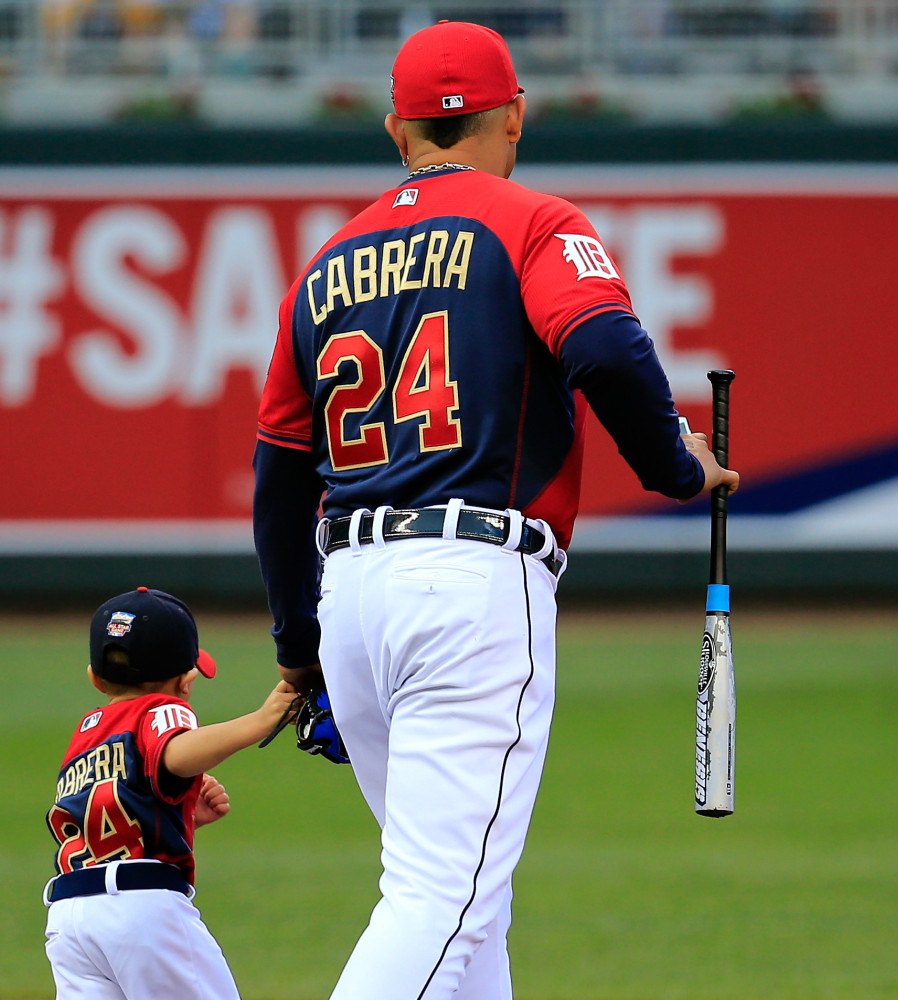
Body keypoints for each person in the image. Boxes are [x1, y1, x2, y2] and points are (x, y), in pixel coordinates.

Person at [251, 19, 739, 999]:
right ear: (514, 114)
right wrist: (677, 467)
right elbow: (602, 346)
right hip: (467, 583)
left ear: (396, 130)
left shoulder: (325, 264)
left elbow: (277, 475)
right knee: (444, 897)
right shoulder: (529, 221)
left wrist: (300, 647)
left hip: (351, 596)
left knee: (469, 906)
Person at [41, 587, 299, 1000]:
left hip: (69, 918)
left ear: (94, 676)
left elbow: (105, 810)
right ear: (186, 680)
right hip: (139, 909)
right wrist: (260, 721)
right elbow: (176, 753)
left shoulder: (87, 733)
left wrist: (173, 810)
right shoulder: (163, 707)